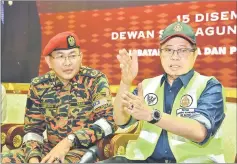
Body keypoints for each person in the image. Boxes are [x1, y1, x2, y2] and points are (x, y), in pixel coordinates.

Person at [100, 22, 226, 163]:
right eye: (168, 50)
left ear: (195, 54)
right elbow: (121, 121)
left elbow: (199, 132)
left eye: (183, 50)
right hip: (145, 159)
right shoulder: (148, 85)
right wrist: (125, 82)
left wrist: (150, 115)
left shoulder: (209, 86)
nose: (175, 57)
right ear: (160, 53)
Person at [1, 31, 116, 163]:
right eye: (61, 57)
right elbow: (33, 131)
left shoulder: (95, 80)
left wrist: (69, 141)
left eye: (72, 56)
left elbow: (108, 122)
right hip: (49, 149)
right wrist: (33, 158)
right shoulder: (39, 85)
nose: (68, 63)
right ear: (49, 61)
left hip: (85, 150)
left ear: (81, 57)